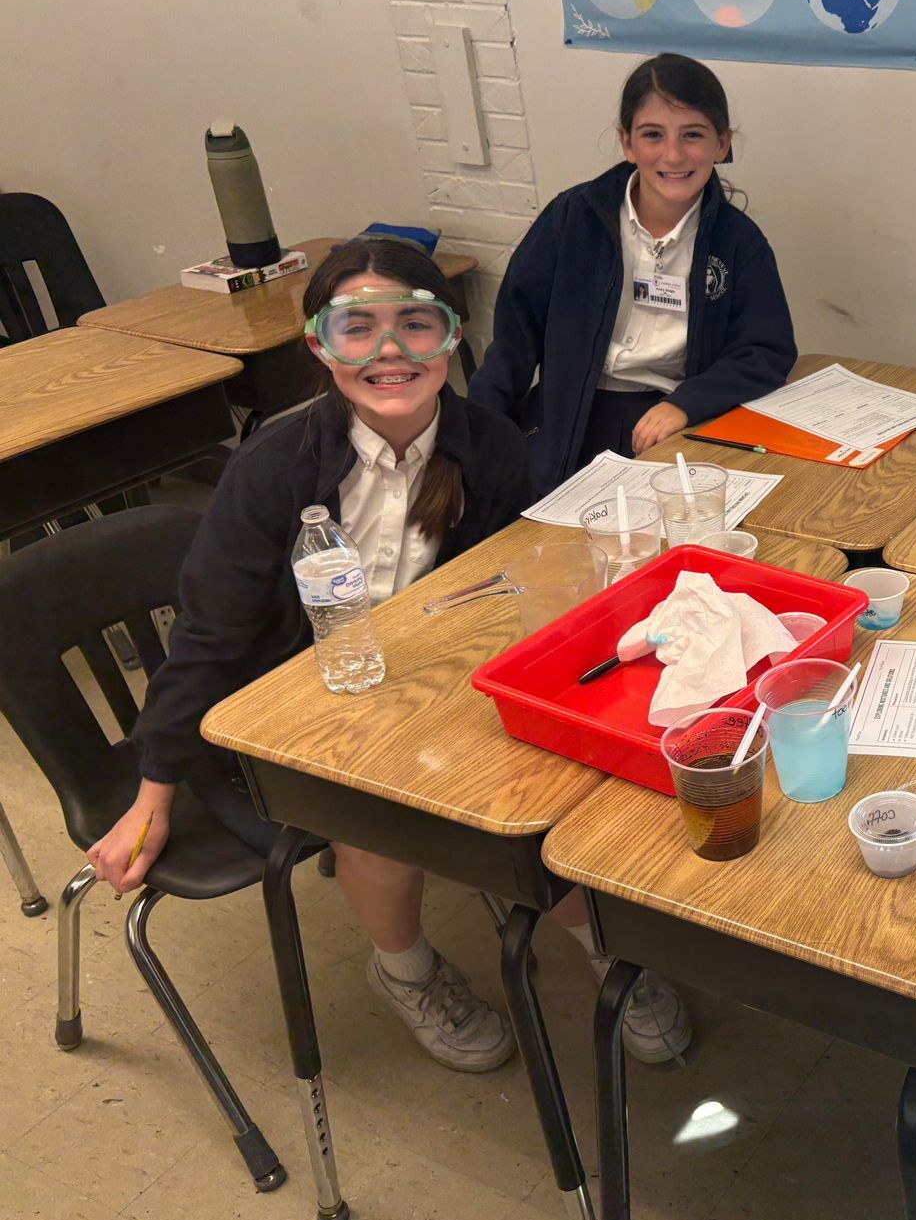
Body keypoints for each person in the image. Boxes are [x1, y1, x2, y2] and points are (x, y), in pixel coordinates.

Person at [86, 239, 691, 1071]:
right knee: (372, 823)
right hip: (299, 705)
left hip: (431, 681)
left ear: (451, 337)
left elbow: (501, 587)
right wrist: (154, 791)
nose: (390, 350)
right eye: (357, 328)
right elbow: (209, 638)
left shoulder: (490, 446)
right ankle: (406, 971)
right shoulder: (273, 470)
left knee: (555, 782)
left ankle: (607, 950)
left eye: (415, 323)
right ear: (319, 346)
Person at [471, 52, 797, 495]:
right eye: (652, 135)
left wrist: (687, 404)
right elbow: (514, 339)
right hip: (570, 415)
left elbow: (766, 352)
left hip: (674, 419)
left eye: (693, 135)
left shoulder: (738, 242)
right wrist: (478, 437)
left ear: (722, 144)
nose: (673, 155)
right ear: (627, 143)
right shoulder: (572, 219)